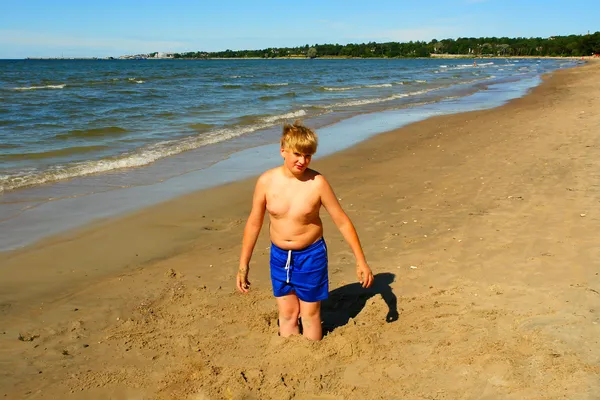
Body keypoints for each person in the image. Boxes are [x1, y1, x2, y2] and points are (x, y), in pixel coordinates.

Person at [236, 120, 374, 340]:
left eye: (308, 156)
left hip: (311, 255)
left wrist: (360, 260)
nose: (302, 161)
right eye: (297, 154)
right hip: (279, 256)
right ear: (283, 150)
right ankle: (290, 357)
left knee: (310, 314)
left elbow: (342, 221)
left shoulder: (317, 183)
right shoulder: (266, 182)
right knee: (288, 312)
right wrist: (244, 264)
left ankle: (313, 354)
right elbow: (254, 223)